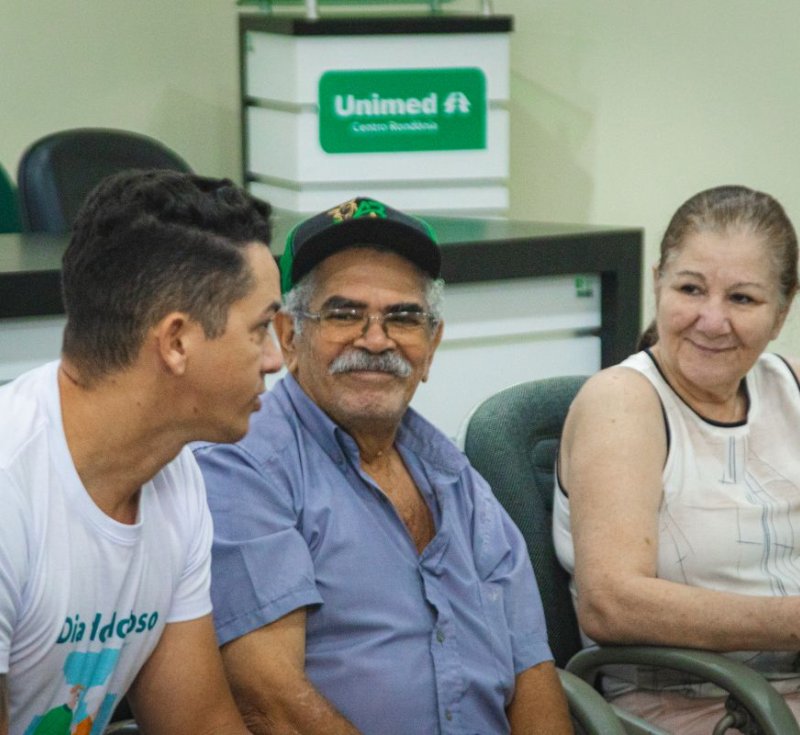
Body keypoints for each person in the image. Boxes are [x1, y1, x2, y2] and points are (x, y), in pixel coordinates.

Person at [194, 196, 573, 735]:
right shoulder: (245, 467)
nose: (375, 340)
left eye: (403, 317)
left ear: (432, 343)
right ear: (288, 336)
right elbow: (269, 701)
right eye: (344, 314)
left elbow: (532, 669)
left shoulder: (455, 474)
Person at [0, 169, 284, 735]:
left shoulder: (173, 475)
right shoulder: (10, 487)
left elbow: (199, 722)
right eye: (261, 329)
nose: (276, 358)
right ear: (176, 342)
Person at [553, 184, 800, 733]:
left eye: (742, 299)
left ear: (781, 313)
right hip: (698, 710)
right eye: (691, 289)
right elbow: (612, 603)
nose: (712, 321)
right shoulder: (623, 401)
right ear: (658, 282)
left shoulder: (791, 389)